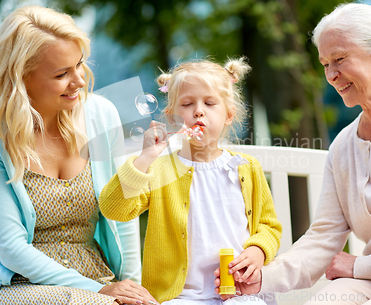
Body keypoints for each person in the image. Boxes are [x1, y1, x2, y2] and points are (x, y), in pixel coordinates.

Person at [215, 2, 371, 304]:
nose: (331, 75)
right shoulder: (345, 144)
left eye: (339, 59)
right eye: (325, 64)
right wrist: (262, 278)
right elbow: (323, 237)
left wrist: (362, 265)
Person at [0, 6, 158, 305]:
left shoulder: (101, 115)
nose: (79, 81)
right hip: (14, 285)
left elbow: (123, 215)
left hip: (94, 277)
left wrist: (131, 286)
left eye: (79, 64)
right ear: (21, 78)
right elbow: (11, 248)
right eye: (62, 73)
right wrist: (99, 292)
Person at [99, 58, 282, 304]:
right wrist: (145, 158)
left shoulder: (247, 168)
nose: (198, 110)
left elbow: (269, 226)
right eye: (187, 104)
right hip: (179, 296)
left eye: (209, 103)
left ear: (228, 114)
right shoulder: (160, 169)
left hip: (238, 292)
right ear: (171, 117)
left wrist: (258, 250)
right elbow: (113, 208)